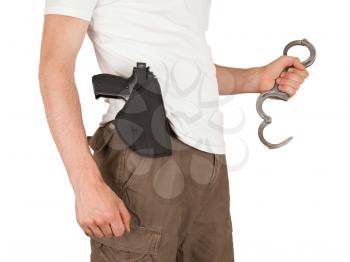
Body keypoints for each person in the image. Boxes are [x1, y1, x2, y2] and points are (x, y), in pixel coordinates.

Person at [38, 0, 309, 261]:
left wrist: (255, 78)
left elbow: (188, 69)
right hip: (142, 150)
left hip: (209, 155)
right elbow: (54, 67)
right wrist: (86, 185)